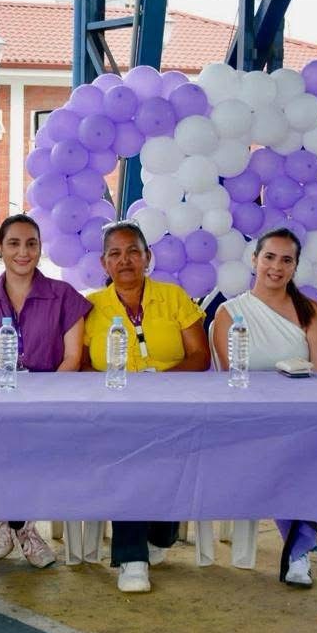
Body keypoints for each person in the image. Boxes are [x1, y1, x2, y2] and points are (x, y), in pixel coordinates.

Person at [82, 220, 210, 593]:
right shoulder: (90, 307)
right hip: (114, 413)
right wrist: (112, 388)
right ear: (104, 263)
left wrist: (161, 383)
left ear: (147, 257)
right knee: (128, 457)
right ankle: (132, 557)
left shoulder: (173, 297)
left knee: (171, 458)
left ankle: (159, 536)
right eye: (115, 253)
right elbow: (81, 365)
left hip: (173, 408)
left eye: (133, 252)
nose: (125, 260)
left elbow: (199, 356)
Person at [211, 227, 317, 586]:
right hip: (248, 419)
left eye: (286, 260)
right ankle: (300, 549)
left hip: (302, 416)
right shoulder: (230, 313)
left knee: (304, 449)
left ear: (295, 267)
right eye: (269, 257)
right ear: (254, 260)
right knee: (279, 451)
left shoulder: (310, 311)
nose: (276, 267)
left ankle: (300, 547)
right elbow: (230, 379)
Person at [0, 214, 91, 569]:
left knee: (31, 435)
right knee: (0, 434)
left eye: (31, 244)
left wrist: (41, 399)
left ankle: (12, 524)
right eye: (14, 243)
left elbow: (72, 358)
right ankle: (22, 527)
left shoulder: (64, 296)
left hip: (52, 401)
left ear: (40, 249)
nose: (23, 252)